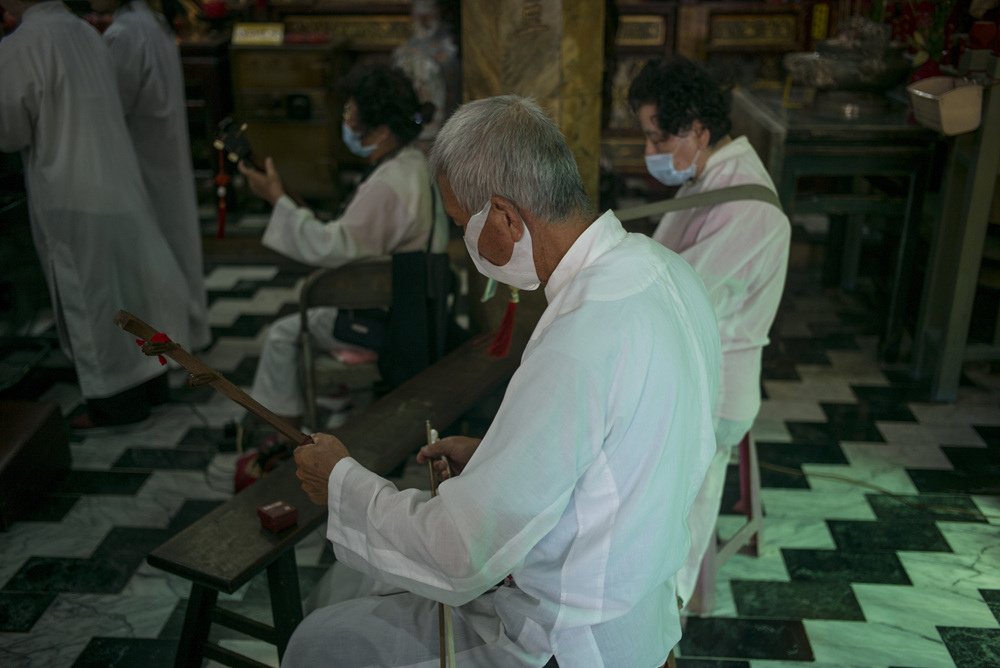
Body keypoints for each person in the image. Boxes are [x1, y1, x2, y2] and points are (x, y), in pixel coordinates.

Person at [284, 95, 721, 667]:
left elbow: (460, 554)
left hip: (565, 641)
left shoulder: (582, 332)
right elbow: (630, 451)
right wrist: (500, 456)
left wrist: (341, 483)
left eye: (466, 226)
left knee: (319, 642)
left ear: (507, 217)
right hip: (643, 613)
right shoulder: (665, 271)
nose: (467, 245)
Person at [628, 56, 791, 610]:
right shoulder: (710, 179)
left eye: (657, 136)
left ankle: (660, 616)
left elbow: (683, 294)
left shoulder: (748, 206)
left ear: (697, 129)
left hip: (713, 392)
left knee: (671, 520)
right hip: (688, 373)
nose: (649, 151)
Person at [0, 0, 194, 427]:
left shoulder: (23, 45)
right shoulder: (85, 32)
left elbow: (9, 131)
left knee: (92, 305)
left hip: (72, 191)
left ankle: (113, 405)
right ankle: (151, 385)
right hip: (117, 183)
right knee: (133, 293)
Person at [238, 62, 446, 434]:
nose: (346, 120)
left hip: (388, 321)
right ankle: (332, 399)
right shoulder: (411, 164)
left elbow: (334, 248)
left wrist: (275, 200)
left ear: (381, 130)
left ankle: (284, 438)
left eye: (352, 113)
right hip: (414, 304)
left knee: (283, 334)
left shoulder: (391, 183)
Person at [89, 0, 212, 352]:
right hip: (162, 151)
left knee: (158, 254)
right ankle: (190, 332)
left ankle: (174, 339)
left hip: (142, 156)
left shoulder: (125, 33)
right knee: (176, 242)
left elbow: (111, 105)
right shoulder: (153, 24)